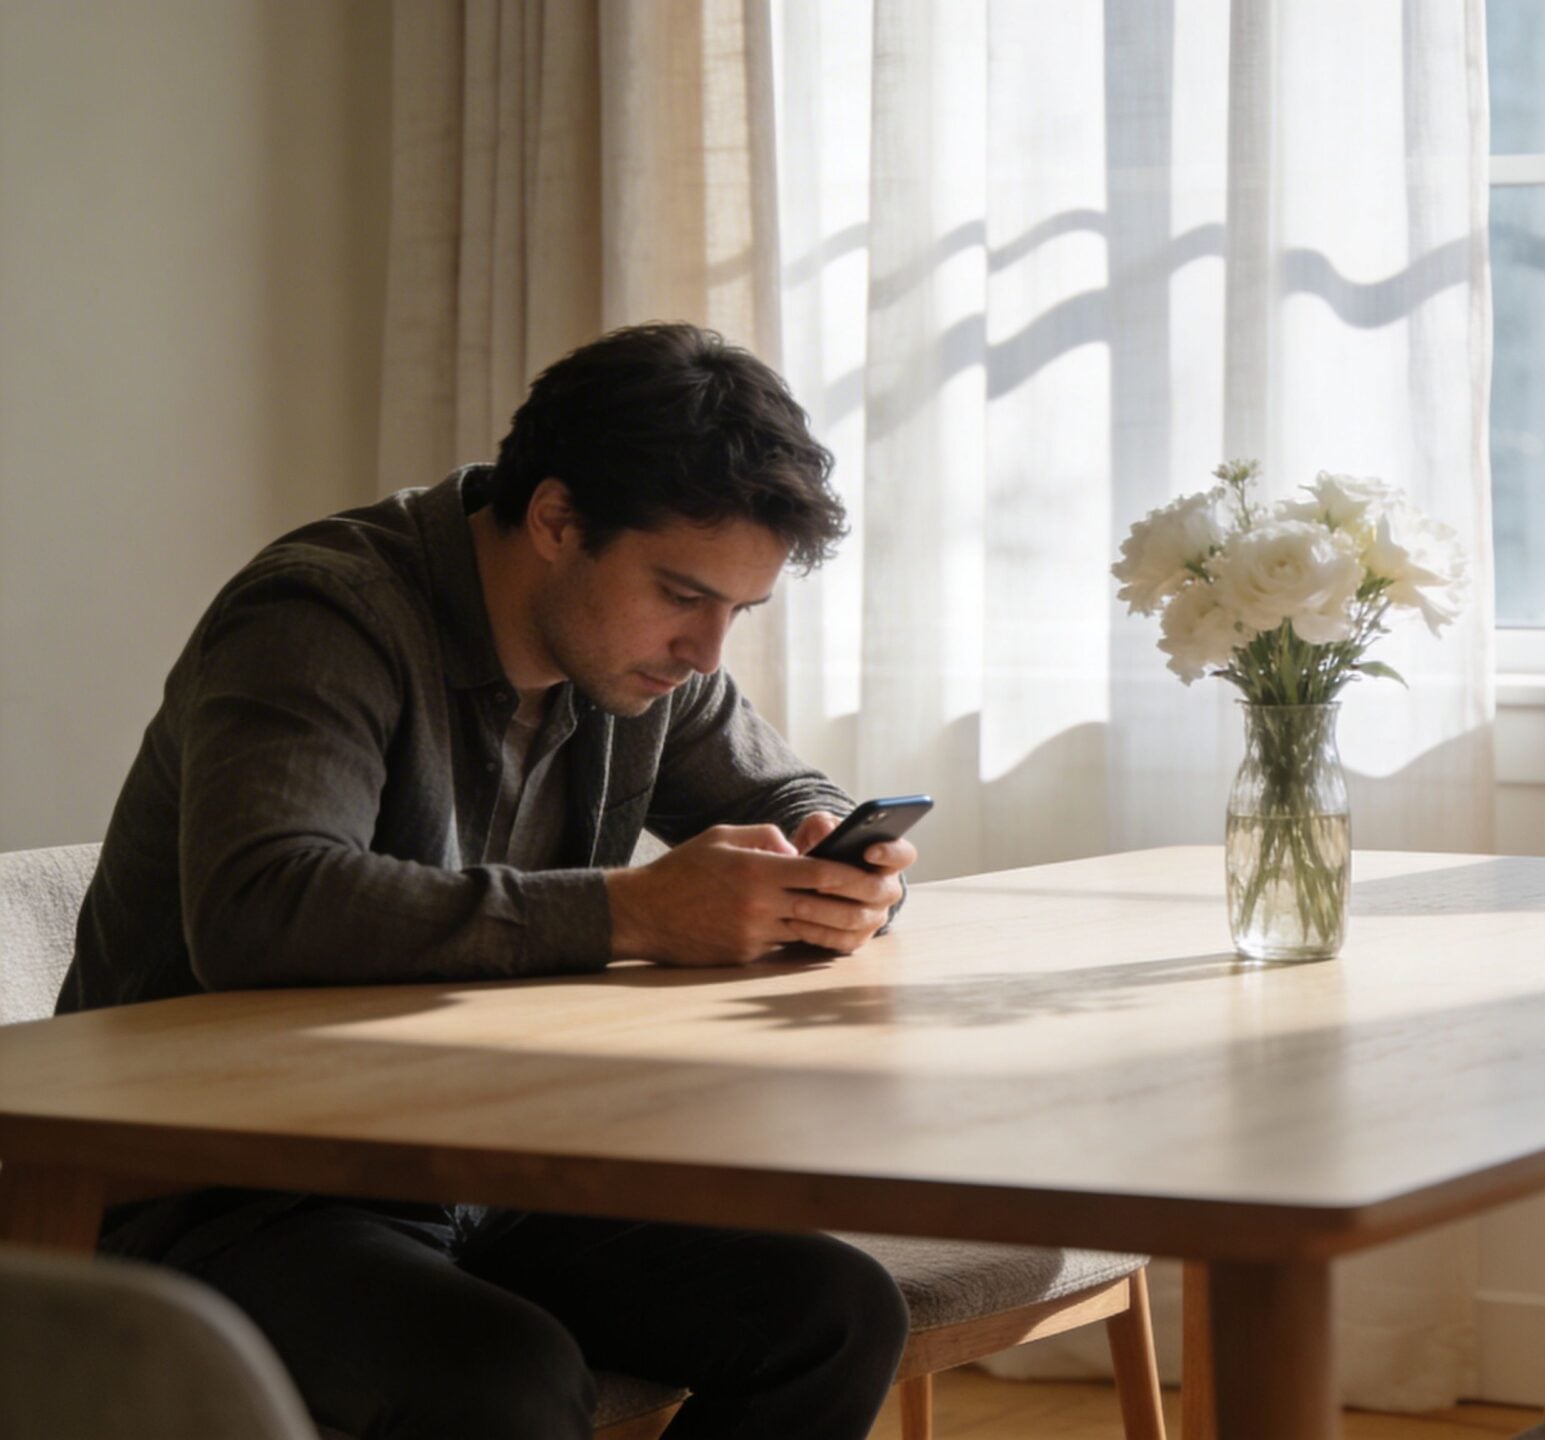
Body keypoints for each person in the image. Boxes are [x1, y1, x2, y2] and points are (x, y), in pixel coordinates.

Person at [59, 322, 917, 1438]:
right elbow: (263, 908)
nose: (707, 650)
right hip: (224, 1191)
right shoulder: (321, 617)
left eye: (737, 613)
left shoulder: (643, 661)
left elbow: (789, 794)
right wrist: (633, 911)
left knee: (838, 1314)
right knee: (500, 1375)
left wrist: (839, 857)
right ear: (558, 520)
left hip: (473, 1159)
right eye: (683, 594)